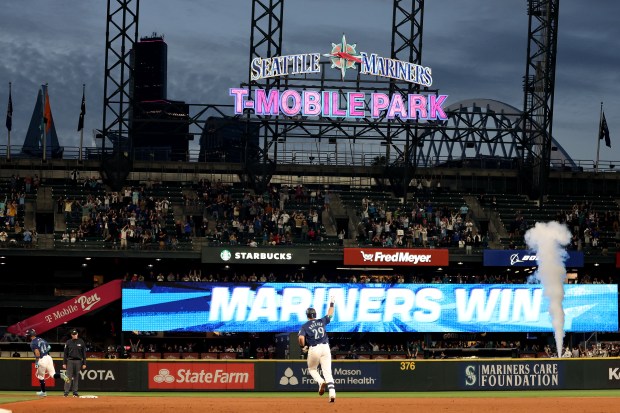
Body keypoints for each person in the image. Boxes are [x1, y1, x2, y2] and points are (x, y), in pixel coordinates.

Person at [298, 296, 336, 403]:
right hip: (326, 347)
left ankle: (320, 381)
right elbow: (330, 314)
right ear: (315, 315)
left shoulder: (305, 326)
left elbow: (301, 338)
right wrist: (332, 303)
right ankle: (332, 395)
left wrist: (303, 346)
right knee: (328, 372)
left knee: (312, 369)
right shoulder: (321, 321)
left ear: (307, 316)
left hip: (314, 348)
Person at [26, 328, 70, 397]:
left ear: (30, 335)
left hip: (42, 359)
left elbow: (37, 353)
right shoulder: (41, 339)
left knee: (40, 376)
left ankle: (43, 392)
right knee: (53, 374)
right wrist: (44, 352)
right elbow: (49, 347)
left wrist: (37, 362)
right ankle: (62, 375)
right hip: (48, 357)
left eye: (28, 335)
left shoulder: (33, 343)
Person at [62, 329, 87, 397]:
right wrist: (64, 363)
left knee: (76, 377)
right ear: (71, 335)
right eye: (73, 334)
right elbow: (65, 354)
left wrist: (84, 363)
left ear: (77, 334)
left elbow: (84, 353)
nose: (75, 335)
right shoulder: (68, 342)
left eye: (75, 334)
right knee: (68, 377)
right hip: (70, 361)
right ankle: (66, 392)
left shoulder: (81, 342)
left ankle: (75, 392)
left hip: (78, 361)